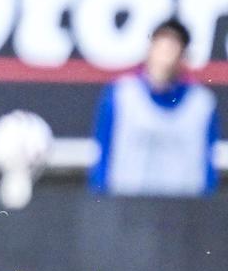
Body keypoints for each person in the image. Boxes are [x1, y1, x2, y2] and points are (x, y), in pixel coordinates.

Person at [90, 18, 218, 197]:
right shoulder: (122, 94)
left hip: (183, 213)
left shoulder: (201, 103)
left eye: (173, 48)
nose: (165, 55)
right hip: (127, 209)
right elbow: (103, 155)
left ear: (183, 55)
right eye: (161, 46)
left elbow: (208, 165)